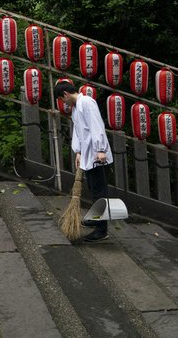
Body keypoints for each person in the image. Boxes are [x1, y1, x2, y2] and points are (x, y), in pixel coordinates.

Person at [54, 80, 114, 242]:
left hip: (97, 155)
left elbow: (97, 126)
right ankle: (95, 219)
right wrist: (78, 152)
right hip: (88, 154)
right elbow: (80, 132)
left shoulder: (87, 102)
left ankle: (102, 230)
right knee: (92, 188)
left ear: (65, 94)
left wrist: (101, 149)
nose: (63, 103)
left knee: (99, 192)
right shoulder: (76, 108)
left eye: (61, 99)